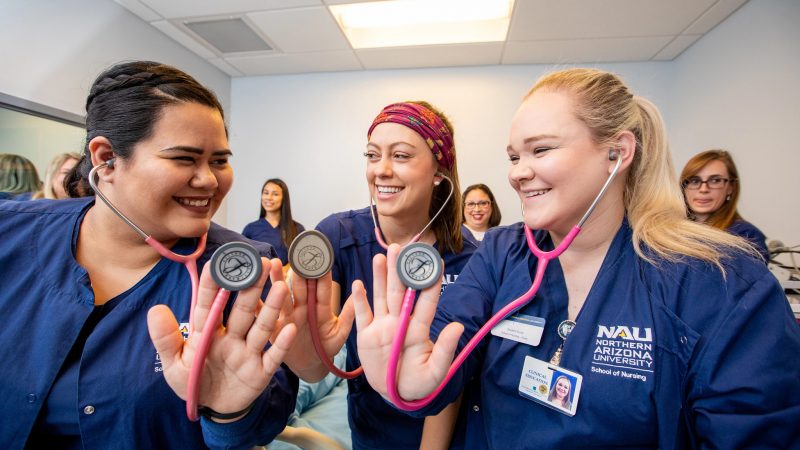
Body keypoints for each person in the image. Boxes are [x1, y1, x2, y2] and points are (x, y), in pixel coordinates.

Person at [350, 68, 800, 448]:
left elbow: (754, 429)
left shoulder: (718, 282)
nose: (517, 172)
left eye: (540, 149)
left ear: (617, 152)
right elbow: (443, 350)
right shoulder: (503, 254)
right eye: (513, 155)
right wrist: (408, 378)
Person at [0, 61, 299, 449]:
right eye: (185, 158)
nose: (209, 179)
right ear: (106, 158)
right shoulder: (11, 233)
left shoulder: (241, 269)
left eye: (220, 161)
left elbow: (258, 425)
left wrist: (230, 414)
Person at [278, 101, 478, 449]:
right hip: (371, 429)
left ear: (438, 172)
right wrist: (301, 347)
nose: (381, 170)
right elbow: (314, 370)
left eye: (400, 156)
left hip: (444, 432)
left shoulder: (467, 257)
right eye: (372, 155)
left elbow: (449, 378)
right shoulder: (339, 236)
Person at [680, 149, 769, 262]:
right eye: (694, 180)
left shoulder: (747, 236)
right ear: (684, 187)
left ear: (731, 187)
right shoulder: (669, 230)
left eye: (715, 180)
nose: (703, 189)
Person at [243, 178, 305, 267]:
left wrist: (287, 270)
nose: (269, 197)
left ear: (284, 198)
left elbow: (302, 258)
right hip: (260, 279)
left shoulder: (297, 229)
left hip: (286, 279)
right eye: (266, 193)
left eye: (275, 194)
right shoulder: (250, 229)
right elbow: (243, 258)